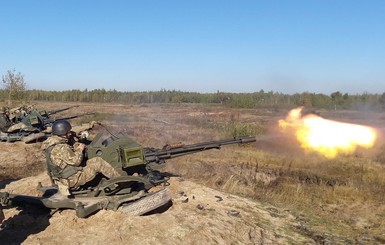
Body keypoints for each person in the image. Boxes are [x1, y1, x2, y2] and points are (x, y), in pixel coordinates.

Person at [41, 120, 121, 195]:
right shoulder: (60, 148)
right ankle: (122, 181)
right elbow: (76, 162)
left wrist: (88, 126)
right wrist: (80, 149)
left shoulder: (51, 143)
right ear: (63, 133)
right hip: (71, 179)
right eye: (68, 132)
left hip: (61, 178)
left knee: (90, 162)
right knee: (98, 162)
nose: (70, 133)